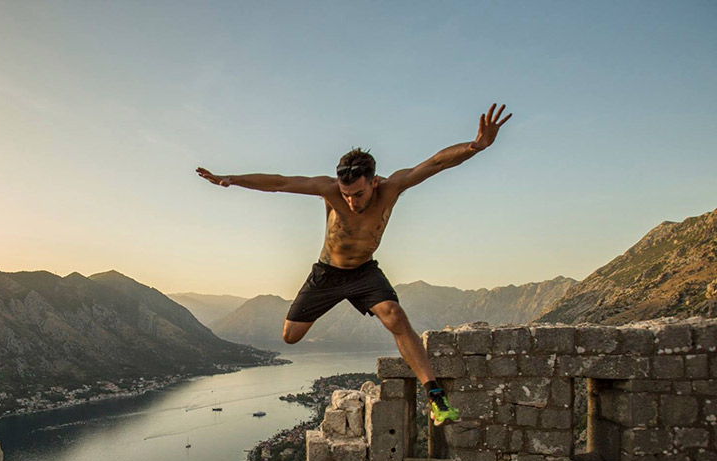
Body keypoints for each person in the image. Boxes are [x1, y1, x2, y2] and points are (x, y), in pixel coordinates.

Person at [197, 103, 512, 425]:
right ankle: (332, 303)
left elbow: (435, 163)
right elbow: (280, 182)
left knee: (396, 317)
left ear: (374, 182)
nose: (351, 201)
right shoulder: (329, 191)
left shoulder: (393, 187)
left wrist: (476, 146)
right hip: (327, 273)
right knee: (290, 337)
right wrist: (232, 179)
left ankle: (434, 395)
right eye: (346, 194)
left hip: (363, 271)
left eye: (358, 194)